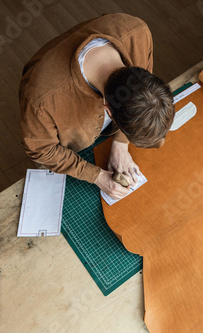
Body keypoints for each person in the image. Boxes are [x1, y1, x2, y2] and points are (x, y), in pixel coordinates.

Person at [19, 13, 175, 199]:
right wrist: (97, 176)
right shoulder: (41, 100)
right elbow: (42, 150)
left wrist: (120, 144)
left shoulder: (137, 33)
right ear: (107, 109)